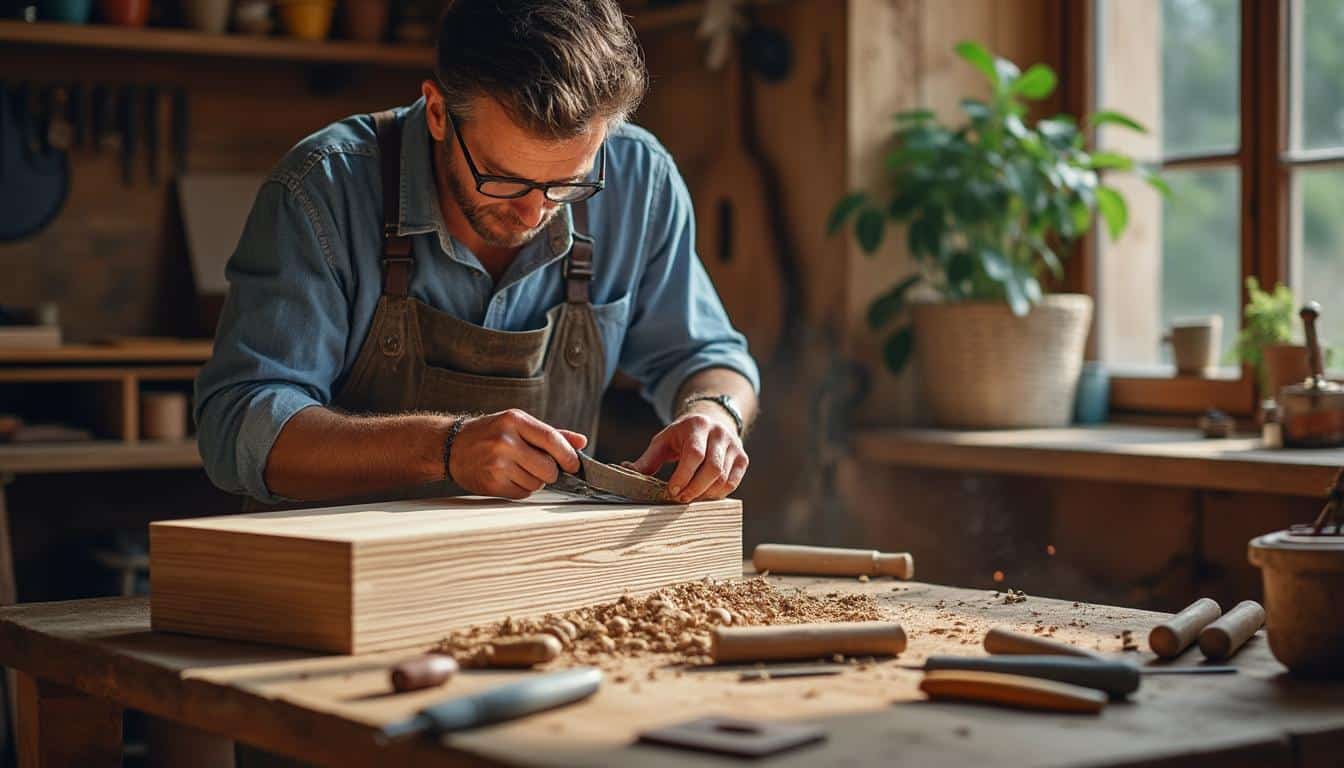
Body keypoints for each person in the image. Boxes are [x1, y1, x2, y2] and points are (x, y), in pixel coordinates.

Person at [194, 0, 759, 507]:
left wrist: (713, 415)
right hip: (344, 576)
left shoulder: (640, 179)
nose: (535, 212)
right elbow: (238, 424)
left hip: (534, 572)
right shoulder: (323, 189)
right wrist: (444, 449)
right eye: (505, 180)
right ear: (438, 113)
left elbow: (708, 355)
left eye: (568, 184)